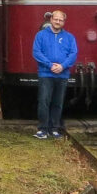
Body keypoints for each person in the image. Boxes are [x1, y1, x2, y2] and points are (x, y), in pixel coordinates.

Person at [32, 10, 78, 139]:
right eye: (56, 19)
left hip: (62, 75)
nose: (58, 22)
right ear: (51, 20)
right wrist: (50, 65)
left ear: (64, 22)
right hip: (46, 73)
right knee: (44, 101)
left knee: (58, 102)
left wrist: (62, 66)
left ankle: (54, 128)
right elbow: (36, 52)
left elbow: (73, 54)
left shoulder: (69, 37)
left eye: (61, 20)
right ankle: (42, 129)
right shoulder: (40, 35)